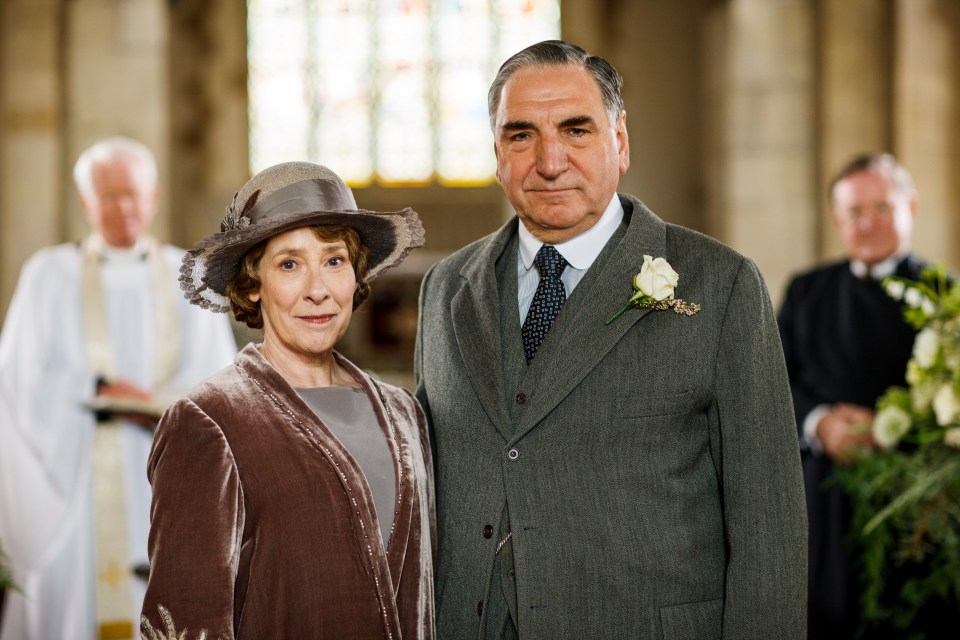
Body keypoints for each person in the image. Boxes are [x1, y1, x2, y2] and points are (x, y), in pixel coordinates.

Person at [414, 39, 807, 639]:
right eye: (521, 135)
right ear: (497, 154)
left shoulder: (720, 285)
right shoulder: (445, 289)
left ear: (619, 142)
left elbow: (769, 525)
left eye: (576, 130)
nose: (549, 161)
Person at [139, 161, 435, 639]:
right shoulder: (208, 420)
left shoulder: (404, 413)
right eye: (290, 264)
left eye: (334, 261)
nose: (317, 290)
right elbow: (186, 618)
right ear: (253, 286)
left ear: (355, 277)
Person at [0, 136, 237, 640]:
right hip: (76, 479)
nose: (121, 208)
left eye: (131, 194)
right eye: (106, 196)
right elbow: (16, 381)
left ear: (153, 196)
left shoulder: (190, 277)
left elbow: (221, 380)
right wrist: (98, 387)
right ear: (85, 202)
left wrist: (165, 407)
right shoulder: (48, 276)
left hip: (166, 473)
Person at [777, 152, 931, 638]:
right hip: (820, 501)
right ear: (837, 220)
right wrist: (819, 423)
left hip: (911, 502)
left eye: (882, 208)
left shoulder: (942, 294)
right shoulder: (806, 291)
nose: (868, 224)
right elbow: (771, 382)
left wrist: (891, 429)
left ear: (911, 207)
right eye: (854, 213)